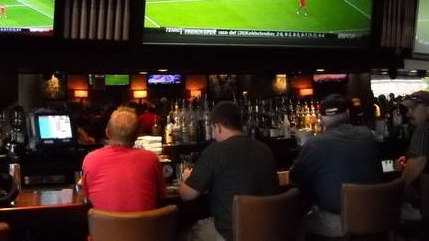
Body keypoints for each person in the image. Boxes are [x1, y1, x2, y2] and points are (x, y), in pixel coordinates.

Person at [179, 101, 278, 241]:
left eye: (213, 129)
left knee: (189, 231)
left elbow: (187, 195)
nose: (213, 135)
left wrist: (187, 179)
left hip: (231, 234)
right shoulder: (265, 149)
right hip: (268, 231)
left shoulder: (215, 151)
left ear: (218, 127)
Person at [289, 94, 382, 238]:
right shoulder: (369, 135)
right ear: (347, 113)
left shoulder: (314, 144)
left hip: (338, 222)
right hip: (377, 215)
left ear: (322, 118)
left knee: (293, 224)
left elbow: (295, 178)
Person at [81, 106, 166, 212]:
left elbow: (86, 196)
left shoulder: (90, 159)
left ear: (107, 132)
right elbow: (162, 195)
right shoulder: (151, 159)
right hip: (146, 223)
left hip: (103, 223)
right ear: (137, 135)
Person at [397, 91, 429, 218]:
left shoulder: (424, 129)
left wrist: (396, 190)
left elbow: (419, 161)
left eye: (413, 108)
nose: (408, 113)